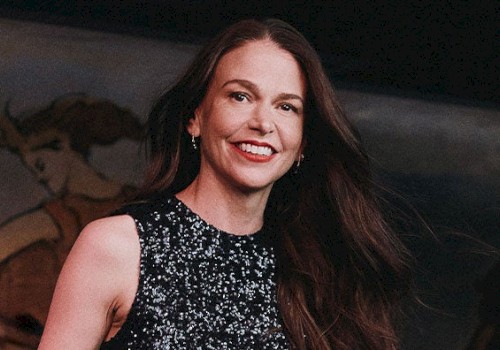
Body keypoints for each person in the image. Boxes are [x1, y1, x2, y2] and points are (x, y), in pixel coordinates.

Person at [38, 18, 412, 349]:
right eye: (240, 96)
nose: (263, 122)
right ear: (195, 118)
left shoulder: (320, 272)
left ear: (303, 144)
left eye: (286, 107)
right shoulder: (117, 247)